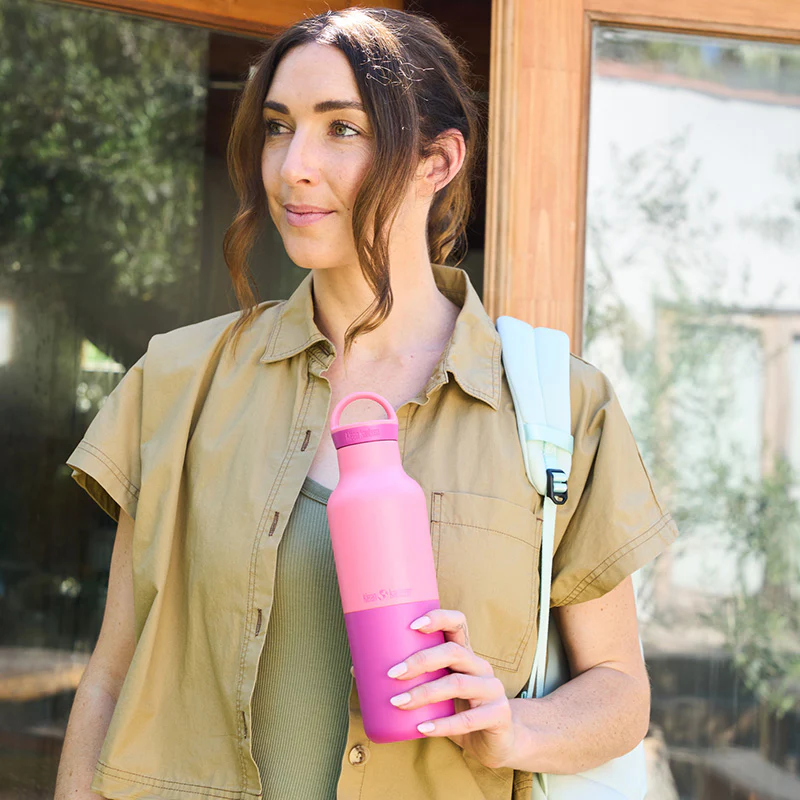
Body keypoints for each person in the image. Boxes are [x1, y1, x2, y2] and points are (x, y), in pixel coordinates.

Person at [55, 8, 679, 800]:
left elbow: (620, 692)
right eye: (278, 127)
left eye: (341, 129)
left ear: (436, 161)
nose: (293, 167)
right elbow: (111, 676)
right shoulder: (178, 382)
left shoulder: (560, 409)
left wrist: (514, 729)